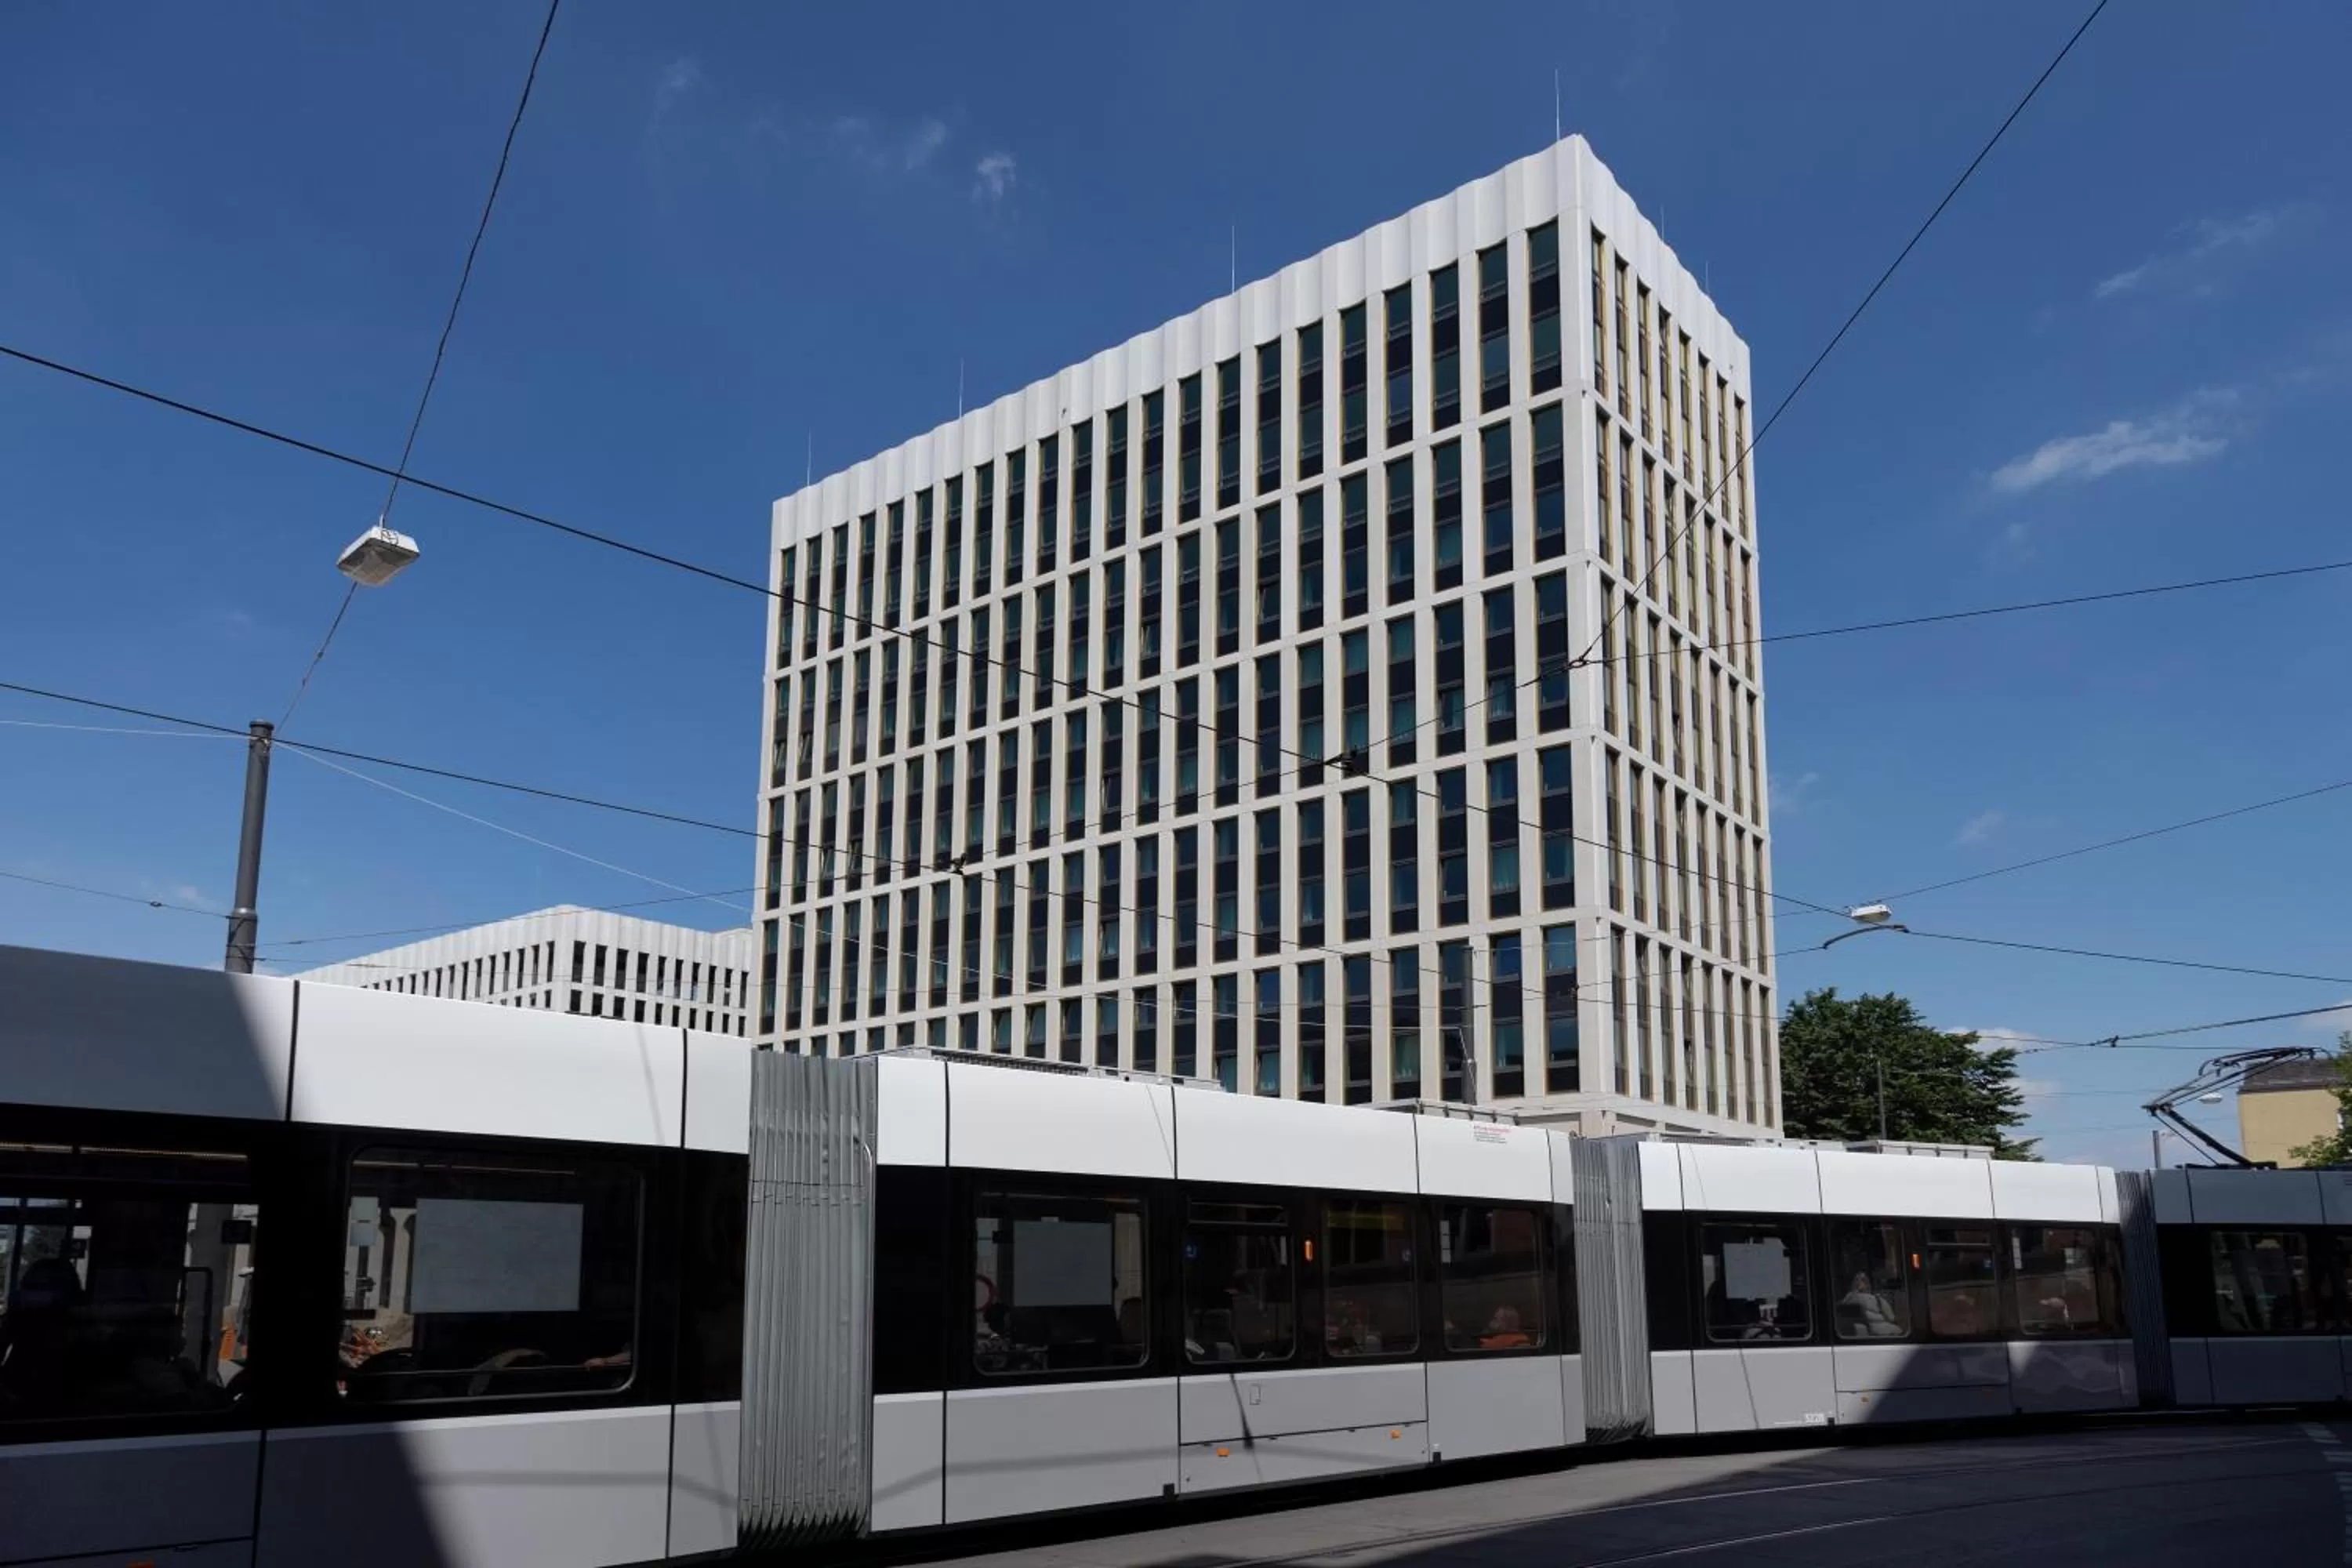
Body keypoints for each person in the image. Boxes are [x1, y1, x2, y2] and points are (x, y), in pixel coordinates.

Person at [1840, 1272, 1903, 1338]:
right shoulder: (1851, 1297)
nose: (1859, 1282)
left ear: (1868, 1284)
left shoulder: (1878, 1299)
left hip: (1883, 1326)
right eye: (1857, 1280)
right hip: (1872, 1328)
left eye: (1863, 1280)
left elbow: (1891, 1318)